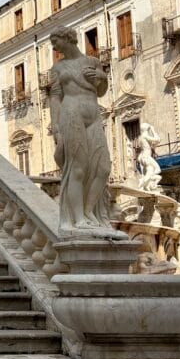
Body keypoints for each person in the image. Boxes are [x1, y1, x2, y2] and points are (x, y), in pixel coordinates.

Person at [48, 28, 114, 232]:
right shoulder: (58, 68)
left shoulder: (92, 62)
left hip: (93, 113)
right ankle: (78, 219)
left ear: (68, 39)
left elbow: (101, 91)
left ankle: (88, 210)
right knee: (78, 168)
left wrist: (101, 76)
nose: (54, 46)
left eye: (56, 41)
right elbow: (55, 97)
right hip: (71, 113)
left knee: (103, 168)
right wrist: (56, 126)